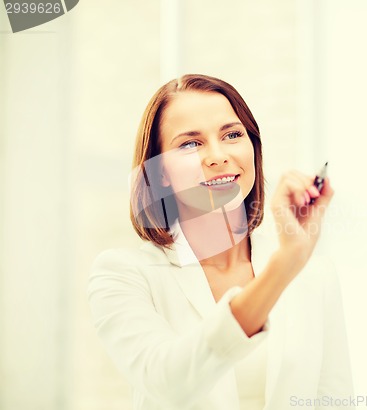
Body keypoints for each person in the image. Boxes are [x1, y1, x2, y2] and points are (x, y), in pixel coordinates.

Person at [88, 74, 353, 410]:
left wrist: (293, 260)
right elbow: (168, 383)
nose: (217, 156)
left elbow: (334, 399)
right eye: (190, 144)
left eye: (232, 134)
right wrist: (284, 268)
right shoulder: (123, 275)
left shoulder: (315, 272)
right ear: (161, 173)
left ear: (252, 147)